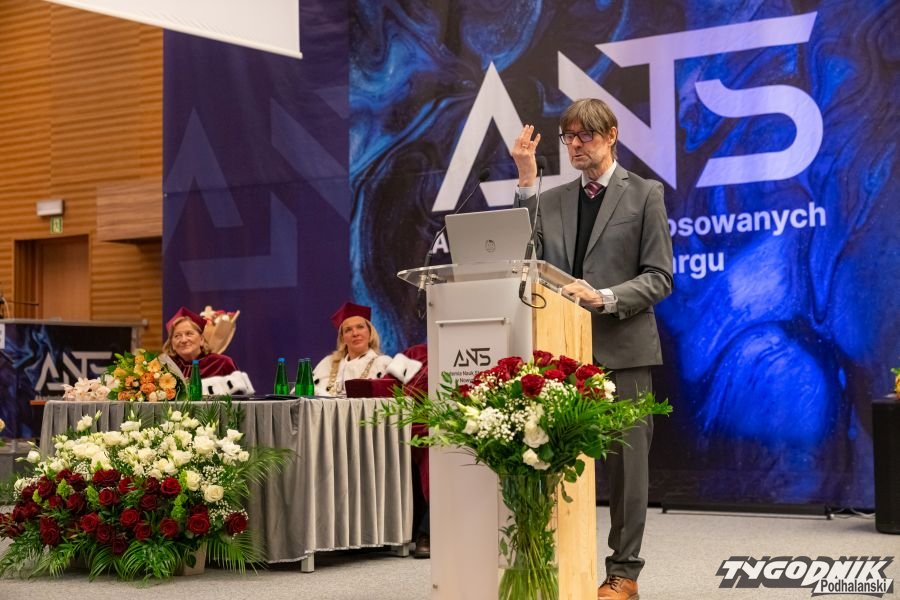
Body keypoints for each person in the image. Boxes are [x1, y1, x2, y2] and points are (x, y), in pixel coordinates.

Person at [512, 98, 673, 600]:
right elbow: (526, 257)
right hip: (562, 352)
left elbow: (660, 277)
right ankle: (555, 562)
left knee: (627, 472)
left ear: (612, 135)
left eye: (586, 135)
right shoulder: (554, 200)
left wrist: (603, 297)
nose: (576, 145)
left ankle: (624, 573)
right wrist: (526, 182)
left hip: (623, 349)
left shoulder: (645, 194)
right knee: (549, 459)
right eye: (569, 137)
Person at [312, 302, 393, 397]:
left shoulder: (383, 363)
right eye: (348, 330)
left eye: (360, 327)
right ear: (342, 338)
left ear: (370, 332)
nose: (355, 333)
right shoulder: (327, 363)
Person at [163, 306, 238, 379]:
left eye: (189, 334)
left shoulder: (222, 364)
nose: (184, 340)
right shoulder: (164, 368)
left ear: (201, 339)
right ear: (172, 343)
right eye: (177, 336)